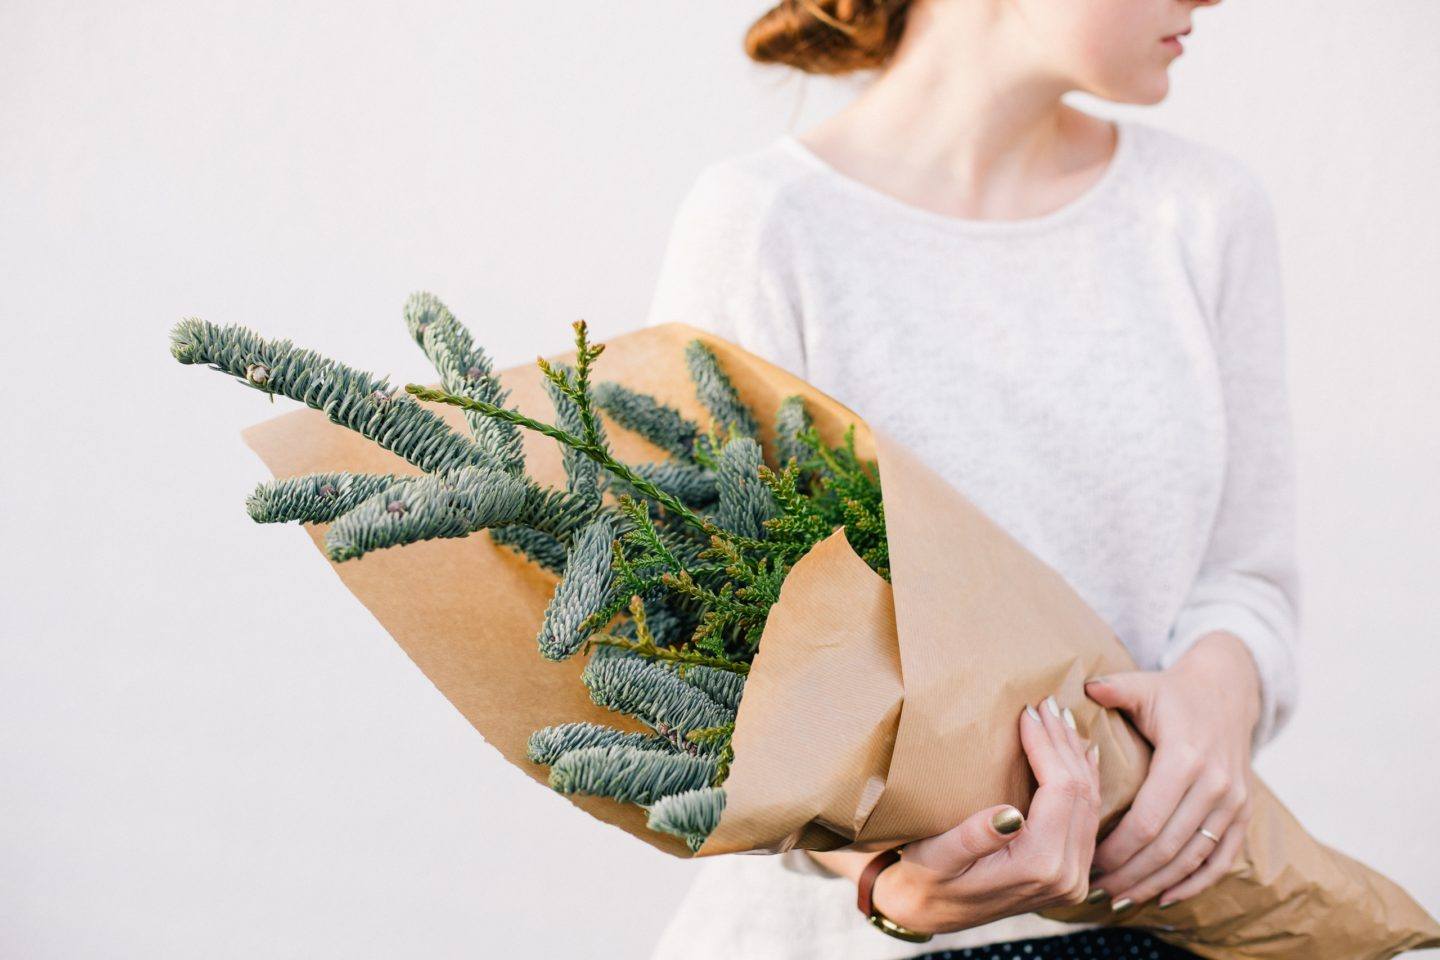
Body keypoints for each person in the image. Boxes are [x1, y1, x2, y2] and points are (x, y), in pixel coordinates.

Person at [643, 0, 1299, 957]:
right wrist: (883, 881)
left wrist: (1220, 687)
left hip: (1156, 930)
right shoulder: (766, 227)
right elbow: (688, 649)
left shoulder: (1201, 214)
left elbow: (1248, 577)